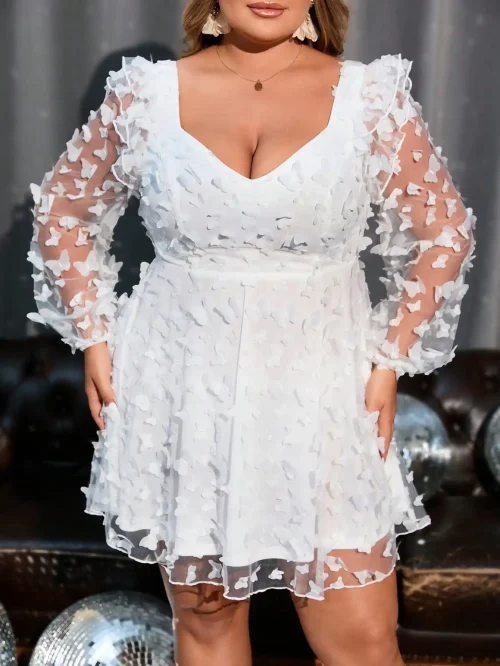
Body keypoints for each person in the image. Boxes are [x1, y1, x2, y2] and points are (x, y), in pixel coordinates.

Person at [26, 0, 476, 664]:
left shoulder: (369, 98)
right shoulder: (146, 96)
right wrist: (95, 335)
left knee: (360, 640)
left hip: (323, 398)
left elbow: (445, 230)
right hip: (186, 395)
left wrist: (389, 360)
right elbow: (64, 211)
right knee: (207, 625)